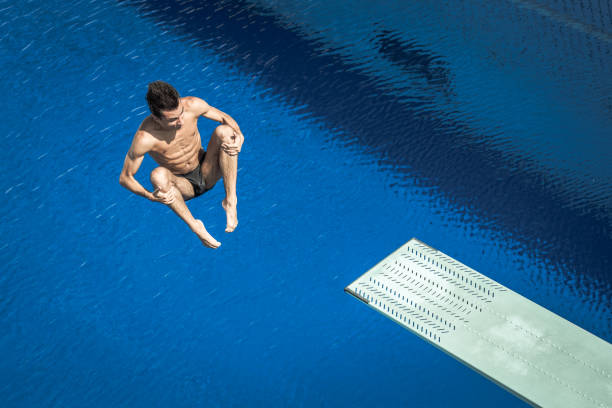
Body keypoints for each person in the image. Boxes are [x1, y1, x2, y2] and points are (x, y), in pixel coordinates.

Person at [119, 81, 244, 249]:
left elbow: (224, 117)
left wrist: (240, 136)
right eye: (172, 120)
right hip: (183, 186)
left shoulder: (192, 105)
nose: (180, 121)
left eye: (181, 114)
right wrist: (150, 196)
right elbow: (125, 178)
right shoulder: (145, 138)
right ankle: (195, 226)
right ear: (156, 118)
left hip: (208, 170)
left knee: (226, 132)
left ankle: (230, 201)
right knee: (157, 175)